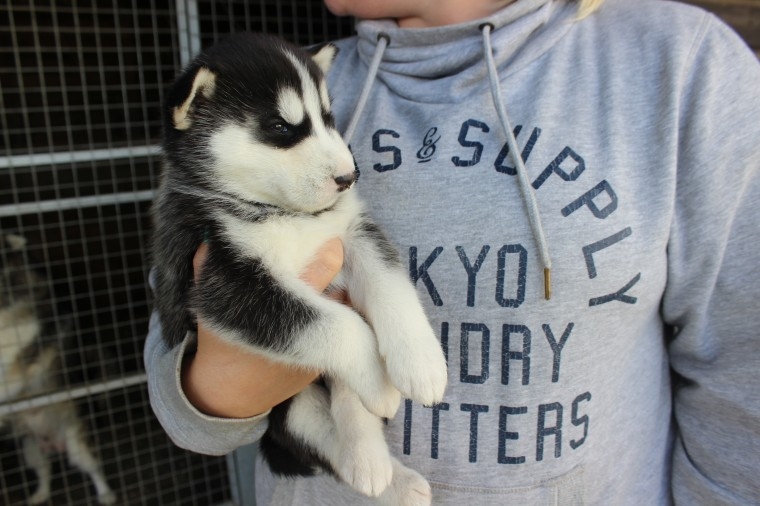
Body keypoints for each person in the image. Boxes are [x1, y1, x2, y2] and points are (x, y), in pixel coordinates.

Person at [144, 0, 760, 504]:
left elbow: (743, 364)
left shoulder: (684, 66)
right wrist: (221, 388)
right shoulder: (290, 75)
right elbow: (181, 391)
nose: (340, 162)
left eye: (326, 126)